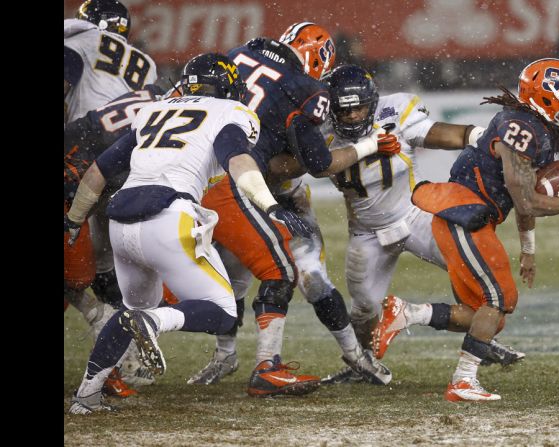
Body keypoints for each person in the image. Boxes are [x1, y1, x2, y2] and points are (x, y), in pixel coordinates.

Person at [66, 52, 309, 414]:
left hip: (121, 220)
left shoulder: (155, 111)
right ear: (227, 86)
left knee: (130, 309)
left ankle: (86, 395)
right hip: (168, 215)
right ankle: (154, 321)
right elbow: (238, 160)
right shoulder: (231, 112)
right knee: (223, 312)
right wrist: (270, 205)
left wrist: (73, 220)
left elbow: (99, 172)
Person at [191, 23, 401, 397]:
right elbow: (313, 162)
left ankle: (348, 355)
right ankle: (264, 361)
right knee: (293, 274)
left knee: (233, 275)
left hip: (220, 182)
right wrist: (369, 145)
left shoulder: (240, 54)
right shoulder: (305, 90)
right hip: (259, 191)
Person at [372, 58, 559, 401]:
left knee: (486, 316)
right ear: (547, 97)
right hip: (465, 215)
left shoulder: (534, 129)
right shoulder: (522, 128)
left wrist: (528, 250)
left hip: (468, 217)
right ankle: (463, 381)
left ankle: (409, 313)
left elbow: (523, 198)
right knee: (500, 299)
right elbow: (526, 201)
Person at [319, 65, 528, 383]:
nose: (352, 116)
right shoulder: (318, 132)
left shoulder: (395, 111)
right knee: (363, 308)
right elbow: (308, 165)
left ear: (373, 102)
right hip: (366, 233)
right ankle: (362, 365)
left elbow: (440, 134)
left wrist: (480, 137)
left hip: (415, 215)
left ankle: (482, 339)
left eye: (359, 107)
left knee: (473, 275)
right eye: (344, 110)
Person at [64, 83, 165, 396]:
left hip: (87, 169)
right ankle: (109, 346)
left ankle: (112, 358)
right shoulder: (173, 120)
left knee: (101, 267)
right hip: (74, 173)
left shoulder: (158, 97)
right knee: (77, 275)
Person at [64, 0, 157, 329]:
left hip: (82, 154)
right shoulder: (145, 63)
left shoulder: (79, 39)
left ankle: (100, 318)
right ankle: (125, 338)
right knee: (105, 260)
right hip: (128, 159)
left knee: (72, 261)